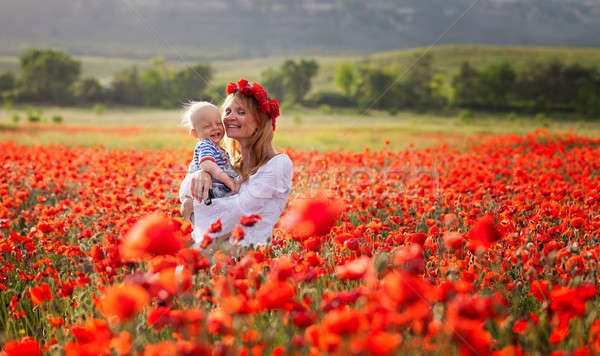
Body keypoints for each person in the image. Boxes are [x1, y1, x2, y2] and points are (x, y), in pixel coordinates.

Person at [179, 79, 293, 250]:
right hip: (207, 259)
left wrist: (193, 205)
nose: (230, 117)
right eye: (227, 111)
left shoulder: (278, 164)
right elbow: (185, 195)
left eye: (241, 112)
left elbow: (239, 211)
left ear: (260, 121)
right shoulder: (228, 164)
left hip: (245, 262)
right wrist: (200, 173)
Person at [180, 102, 239, 222]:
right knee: (207, 220)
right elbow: (207, 164)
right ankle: (189, 207)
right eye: (207, 126)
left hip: (215, 190)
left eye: (218, 123)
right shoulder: (205, 145)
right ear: (195, 133)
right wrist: (228, 181)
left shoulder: (217, 148)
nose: (215, 128)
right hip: (208, 190)